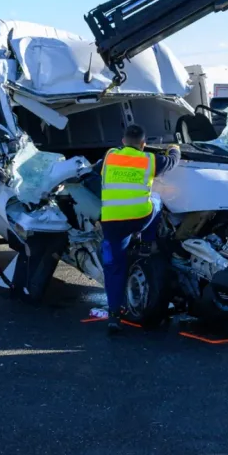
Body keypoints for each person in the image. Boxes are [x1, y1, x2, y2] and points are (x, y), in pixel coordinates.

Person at [96, 123, 178, 334]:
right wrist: (174, 148)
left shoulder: (110, 156)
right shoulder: (150, 160)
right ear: (143, 144)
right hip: (140, 219)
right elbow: (172, 162)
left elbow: (97, 170)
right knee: (156, 201)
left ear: (123, 141)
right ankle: (146, 244)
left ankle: (114, 316)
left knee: (114, 268)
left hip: (112, 222)